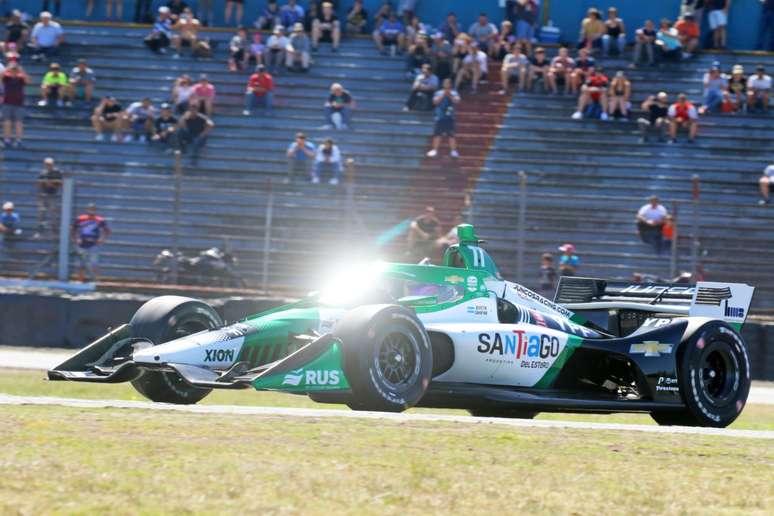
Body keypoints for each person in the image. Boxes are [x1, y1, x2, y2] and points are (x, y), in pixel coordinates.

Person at [72, 203, 111, 282]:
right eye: (90, 209)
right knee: (81, 264)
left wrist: (102, 240)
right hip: (82, 244)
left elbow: (107, 231)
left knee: (94, 263)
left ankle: (95, 281)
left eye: (93, 209)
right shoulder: (80, 218)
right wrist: (75, 239)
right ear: (87, 209)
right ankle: (80, 280)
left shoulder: (100, 219)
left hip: (94, 244)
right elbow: (73, 229)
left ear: (95, 210)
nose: (91, 210)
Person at [427, 78, 460, 158]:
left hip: (450, 117)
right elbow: (435, 102)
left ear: (450, 84)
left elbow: (457, 101)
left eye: (448, 83)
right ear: (443, 84)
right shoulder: (438, 92)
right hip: (439, 117)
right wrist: (443, 95)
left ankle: (453, 151)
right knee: (437, 134)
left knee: (451, 135)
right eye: (445, 83)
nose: (446, 85)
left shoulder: (454, 92)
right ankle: (434, 150)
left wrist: (449, 95)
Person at [2, 61, 29, 148]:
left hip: (19, 103)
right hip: (7, 102)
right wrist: (7, 68)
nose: (14, 71)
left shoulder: (21, 78)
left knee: (18, 122)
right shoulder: (6, 77)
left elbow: (28, 81)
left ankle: (18, 140)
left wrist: (22, 71)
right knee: (7, 122)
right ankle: (7, 139)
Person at [37, 157, 63, 236]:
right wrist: (39, 194)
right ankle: (40, 230)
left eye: (49, 164)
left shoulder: (57, 172)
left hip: (53, 194)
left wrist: (52, 184)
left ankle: (54, 230)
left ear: (53, 164)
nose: (48, 166)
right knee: (42, 213)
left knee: (53, 213)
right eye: (47, 164)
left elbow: (61, 183)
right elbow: (39, 184)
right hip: (44, 195)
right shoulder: (42, 173)